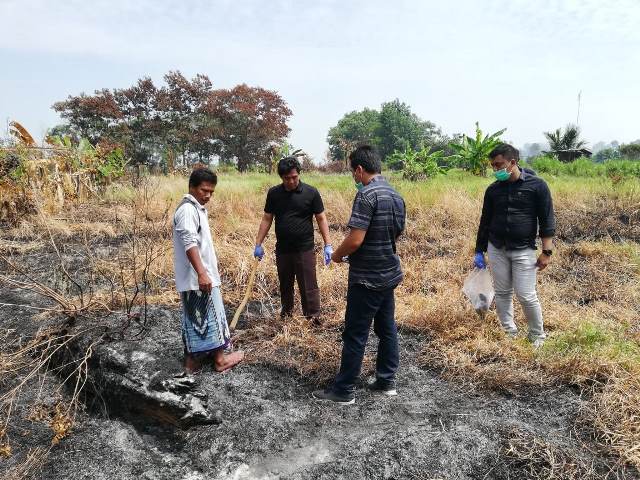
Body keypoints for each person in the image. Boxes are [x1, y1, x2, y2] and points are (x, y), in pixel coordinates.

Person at [313, 145, 406, 405]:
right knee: (387, 328)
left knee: (355, 332)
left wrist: (337, 255)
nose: (353, 177)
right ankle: (386, 381)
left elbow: (355, 239)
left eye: (353, 172)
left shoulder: (366, 195)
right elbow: (397, 233)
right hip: (389, 273)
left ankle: (344, 390)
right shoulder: (395, 195)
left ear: (360, 169)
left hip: (367, 277)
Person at [474, 143, 555, 348]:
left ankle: (537, 336)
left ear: (513, 162)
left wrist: (546, 252)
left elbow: (547, 220)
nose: (495, 169)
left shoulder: (537, 186)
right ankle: (509, 332)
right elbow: (485, 221)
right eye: (493, 165)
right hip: (496, 248)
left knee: (526, 295)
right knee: (502, 292)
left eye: (499, 164)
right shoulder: (493, 190)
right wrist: (479, 250)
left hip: (524, 250)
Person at [173, 168, 244, 373]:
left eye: (211, 192)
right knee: (208, 317)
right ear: (192, 187)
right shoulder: (187, 210)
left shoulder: (196, 209)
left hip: (198, 276)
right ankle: (220, 360)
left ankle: (193, 363)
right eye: (204, 190)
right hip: (198, 278)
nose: (208, 195)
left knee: (196, 319)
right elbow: (189, 243)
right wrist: (202, 273)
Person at [253, 156, 332, 322]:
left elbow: (321, 218)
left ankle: (312, 317)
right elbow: (267, 218)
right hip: (283, 249)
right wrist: (258, 243)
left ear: (299, 174)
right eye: (287, 178)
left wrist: (328, 244)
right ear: (281, 177)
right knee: (285, 285)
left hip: (304, 247)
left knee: (308, 285)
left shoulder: (311, 192)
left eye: (294, 177)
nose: (291, 181)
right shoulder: (274, 193)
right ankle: (287, 315)